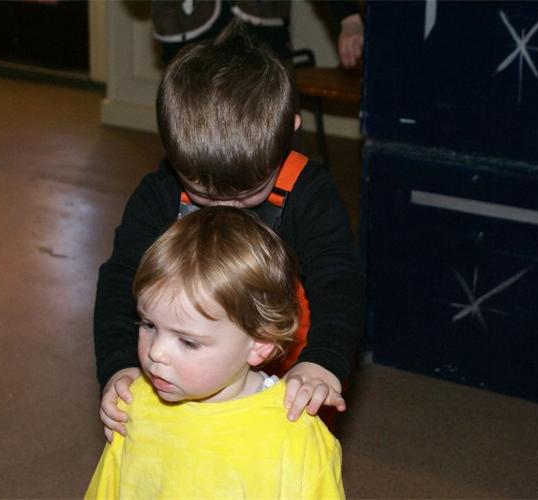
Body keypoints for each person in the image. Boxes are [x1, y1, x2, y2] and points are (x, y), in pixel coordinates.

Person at [94, 26, 364, 442]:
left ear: (289, 133)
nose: (223, 209)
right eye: (202, 193)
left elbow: (340, 280)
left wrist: (323, 361)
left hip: (288, 358)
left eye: (245, 193)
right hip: (188, 353)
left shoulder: (309, 194)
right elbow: (119, 280)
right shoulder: (160, 193)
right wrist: (119, 364)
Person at [85, 207, 344, 499]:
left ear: (259, 343)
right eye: (149, 325)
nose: (156, 353)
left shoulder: (295, 433)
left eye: (188, 342)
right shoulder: (132, 406)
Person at [152, 0, 364, 68]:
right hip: (188, 45)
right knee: (191, 142)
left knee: (272, 141)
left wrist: (349, 18)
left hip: (262, 43)